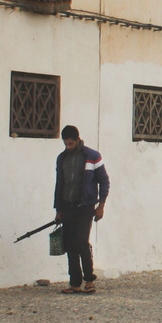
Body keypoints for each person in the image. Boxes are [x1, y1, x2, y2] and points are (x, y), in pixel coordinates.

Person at [54, 124, 109, 293]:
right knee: (70, 244)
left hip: (85, 207)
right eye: (65, 144)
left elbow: (104, 181)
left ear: (78, 140)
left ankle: (89, 280)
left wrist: (101, 205)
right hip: (67, 207)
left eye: (70, 143)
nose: (68, 147)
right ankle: (75, 282)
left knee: (82, 242)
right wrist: (58, 209)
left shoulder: (92, 156)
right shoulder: (62, 158)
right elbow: (59, 184)